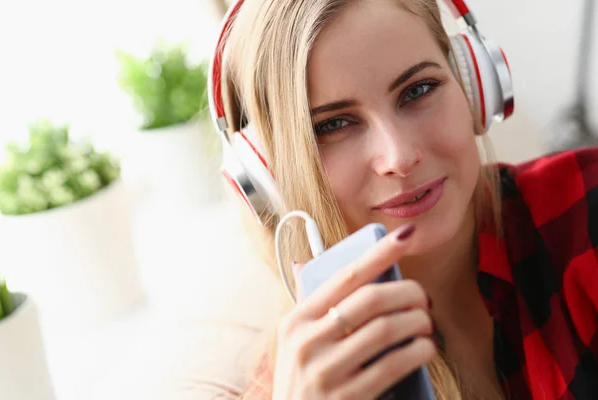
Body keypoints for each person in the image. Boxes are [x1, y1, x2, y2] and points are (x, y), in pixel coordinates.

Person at [210, 0, 598, 398]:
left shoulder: (586, 204)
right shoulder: (306, 383)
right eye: (333, 124)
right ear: (268, 175)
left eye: (419, 89)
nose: (399, 156)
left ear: (471, 83)